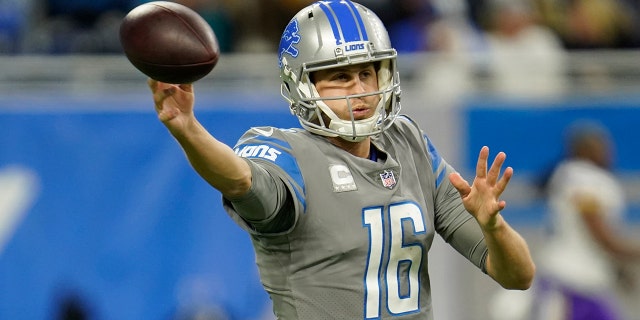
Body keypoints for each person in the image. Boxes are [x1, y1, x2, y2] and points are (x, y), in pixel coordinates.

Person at [148, 1, 535, 318]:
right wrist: (188, 129)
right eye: (340, 77)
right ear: (301, 84)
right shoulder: (287, 152)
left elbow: (518, 276)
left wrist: (494, 226)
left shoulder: (408, 141)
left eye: (367, 72)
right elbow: (241, 180)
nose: (360, 91)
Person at [535, 120, 640, 320]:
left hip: (577, 280)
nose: (609, 151)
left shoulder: (568, 174)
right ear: (583, 149)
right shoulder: (585, 178)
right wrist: (630, 252)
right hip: (572, 283)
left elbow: (588, 238)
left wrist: (616, 269)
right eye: (601, 144)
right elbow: (599, 233)